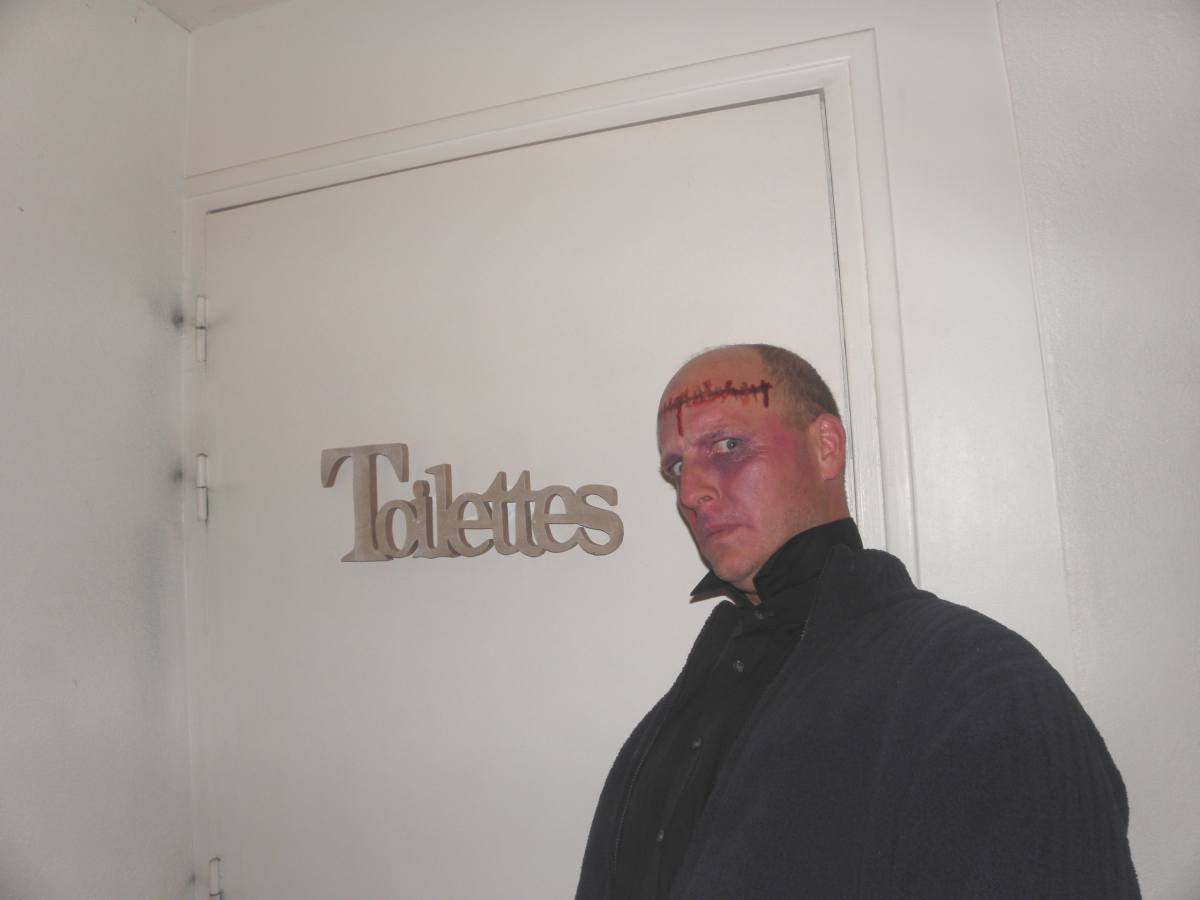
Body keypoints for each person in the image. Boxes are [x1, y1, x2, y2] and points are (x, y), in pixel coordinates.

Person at [575, 343, 1139, 899]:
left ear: (826, 447)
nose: (691, 493)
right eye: (677, 467)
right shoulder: (684, 705)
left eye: (727, 446)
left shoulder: (978, 682)